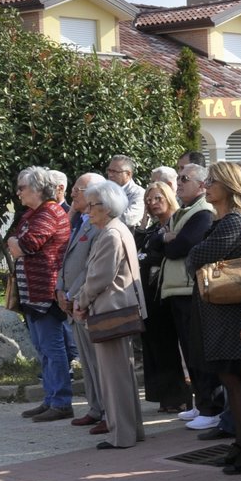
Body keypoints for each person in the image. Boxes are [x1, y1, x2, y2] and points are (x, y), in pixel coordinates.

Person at [186, 161, 241, 475]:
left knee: (235, 378)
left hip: (230, 313)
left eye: (212, 181)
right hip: (220, 311)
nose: (206, 186)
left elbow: (196, 255)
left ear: (229, 186)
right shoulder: (226, 218)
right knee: (231, 379)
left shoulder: (235, 220)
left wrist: (195, 254)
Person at [73, 180, 147, 450]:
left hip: (110, 311)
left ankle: (121, 436)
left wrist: (79, 301)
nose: (88, 211)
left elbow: (98, 278)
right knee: (122, 376)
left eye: (93, 206)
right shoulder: (116, 230)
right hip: (117, 309)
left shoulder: (110, 234)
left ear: (107, 207)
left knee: (114, 379)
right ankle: (131, 432)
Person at [8, 167, 73, 421]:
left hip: (46, 292)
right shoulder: (33, 214)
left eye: (22, 188)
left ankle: (61, 402)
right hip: (33, 293)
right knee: (42, 348)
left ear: (36, 189)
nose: (18, 192)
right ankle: (50, 398)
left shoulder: (50, 212)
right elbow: (15, 242)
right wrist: (17, 244)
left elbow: (26, 244)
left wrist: (18, 244)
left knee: (52, 348)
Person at [161, 165, 220, 426]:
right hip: (177, 289)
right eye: (179, 178)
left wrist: (171, 240)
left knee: (198, 350)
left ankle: (211, 407)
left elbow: (183, 247)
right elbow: (157, 242)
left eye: (185, 179)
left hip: (189, 289)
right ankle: (200, 403)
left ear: (200, 185)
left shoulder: (203, 211)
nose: (179, 183)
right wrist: (168, 239)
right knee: (189, 350)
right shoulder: (184, 211)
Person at [60, 175, 111, 431]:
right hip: (73, 300)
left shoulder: (100, 227)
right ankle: (94, 407)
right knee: (87, 363)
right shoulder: (80, 221)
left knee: (97, 362)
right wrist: (60, 288)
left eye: (77, 191)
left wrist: (72, 296)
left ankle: (106, 411)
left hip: (86, 302)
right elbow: (67, 258)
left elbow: (91, 266)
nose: (72, 196)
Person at [137, 180, 190, 413]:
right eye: (149, 199)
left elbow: (163, 253)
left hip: (166, 292)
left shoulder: (177, 222)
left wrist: (153, 247)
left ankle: (178, 397)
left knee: (168, 346)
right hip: (147, 293)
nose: (153, 203)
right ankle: (163, 396)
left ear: (169, 197)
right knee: (153, 347)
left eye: (158, 198)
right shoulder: (152, 228)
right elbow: (140, 251)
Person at [105, 155, 146, 229]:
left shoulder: (139, 194)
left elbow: (128, 219)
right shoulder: (104, 191)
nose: (110, 175)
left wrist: (102, 218)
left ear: (128, 174)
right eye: (109, 170)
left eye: (114, 172)